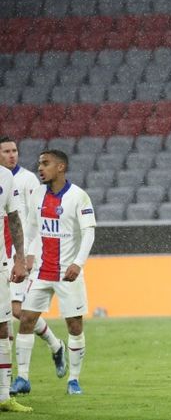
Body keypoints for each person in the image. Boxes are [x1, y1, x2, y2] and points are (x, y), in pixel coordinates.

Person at [11, 150, 96, 396]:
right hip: (41, 271)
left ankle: (74, 380)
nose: (40, 168)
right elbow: (30, 227)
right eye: (39, 163)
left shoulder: (78, 196)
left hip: (68, 273)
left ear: (61, 167)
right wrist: (24, 257)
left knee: (74, 325)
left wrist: (78, 263)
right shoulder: (38, 194)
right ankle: (23, 379)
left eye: (45, 164)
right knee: (26, 320)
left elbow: (89, 232)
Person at [0, 137, 66, 379]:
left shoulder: (28, 180)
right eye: (6, 151)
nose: (12, 155)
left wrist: (28, 254)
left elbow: (34, 218)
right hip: (2, 253)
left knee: (17, 311)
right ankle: (54, 346)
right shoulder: (1, 179)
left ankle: (52, 346)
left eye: (14, 150)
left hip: (24, 255)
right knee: (6, 315)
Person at [0, 164, 32, 412]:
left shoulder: (5, 176)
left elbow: (12, 218)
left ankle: (3, 396)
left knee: (2, 327)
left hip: (0, 264)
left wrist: (19, 258)